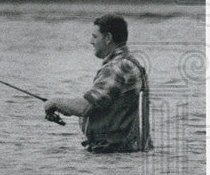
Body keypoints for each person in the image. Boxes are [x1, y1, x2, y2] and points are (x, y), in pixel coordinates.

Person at [44, 15, 152, 153]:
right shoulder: (129, 63)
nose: (91, 41)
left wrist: (54, 102)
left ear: (108, 38)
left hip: (114, 151)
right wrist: (68, 108)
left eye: (95, 37)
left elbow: (86, 107)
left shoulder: (117, 67)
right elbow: (103, 106)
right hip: (126, 150)